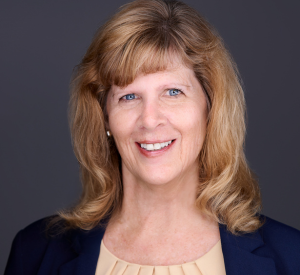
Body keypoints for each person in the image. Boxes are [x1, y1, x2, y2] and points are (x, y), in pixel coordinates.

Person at [5, 0, 300, 274]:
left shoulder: (291, 256)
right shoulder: (34, 253)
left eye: (173, 92)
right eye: (129, 96)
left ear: (210, 108)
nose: (149, 119)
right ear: (105, 116)